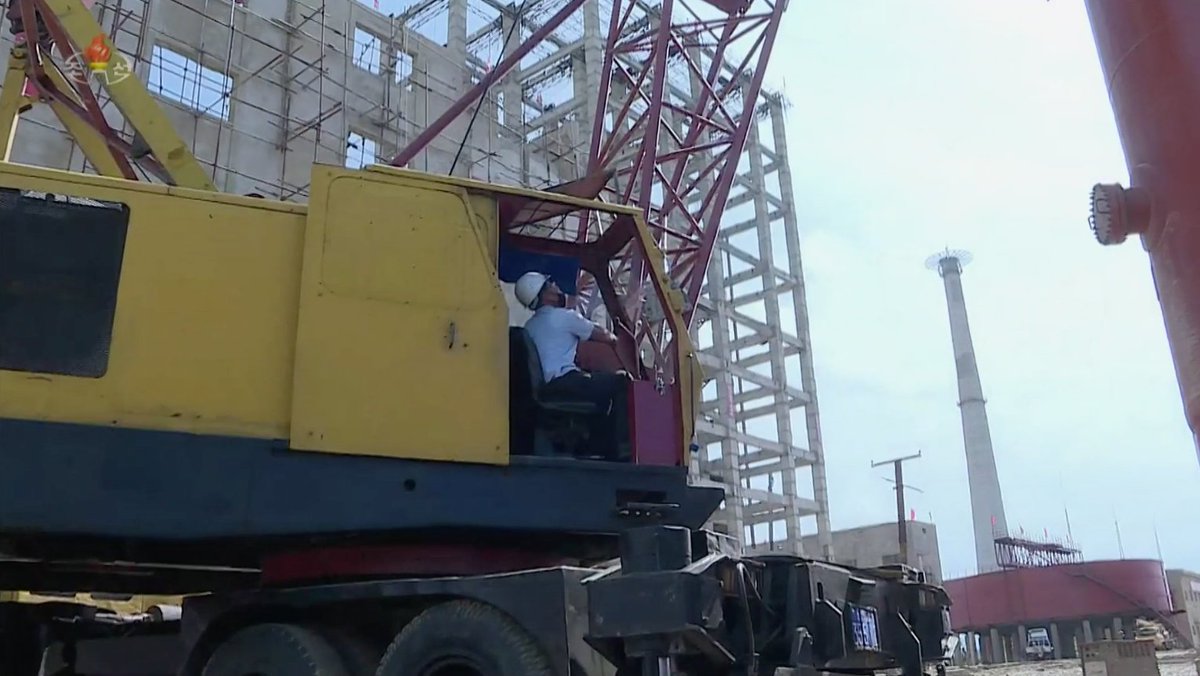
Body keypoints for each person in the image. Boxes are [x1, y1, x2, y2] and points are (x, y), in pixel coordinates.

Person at [514, 271, 629, 459]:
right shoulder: (564, 317)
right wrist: (618, 339)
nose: (555, 286)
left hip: (548, 388)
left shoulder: (530, 326)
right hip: (564, 382)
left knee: (597, 388)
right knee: (621, 382)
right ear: (545, 294)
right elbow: (603, 336)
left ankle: (594, 444)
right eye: (550, 283)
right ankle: (620, 449)